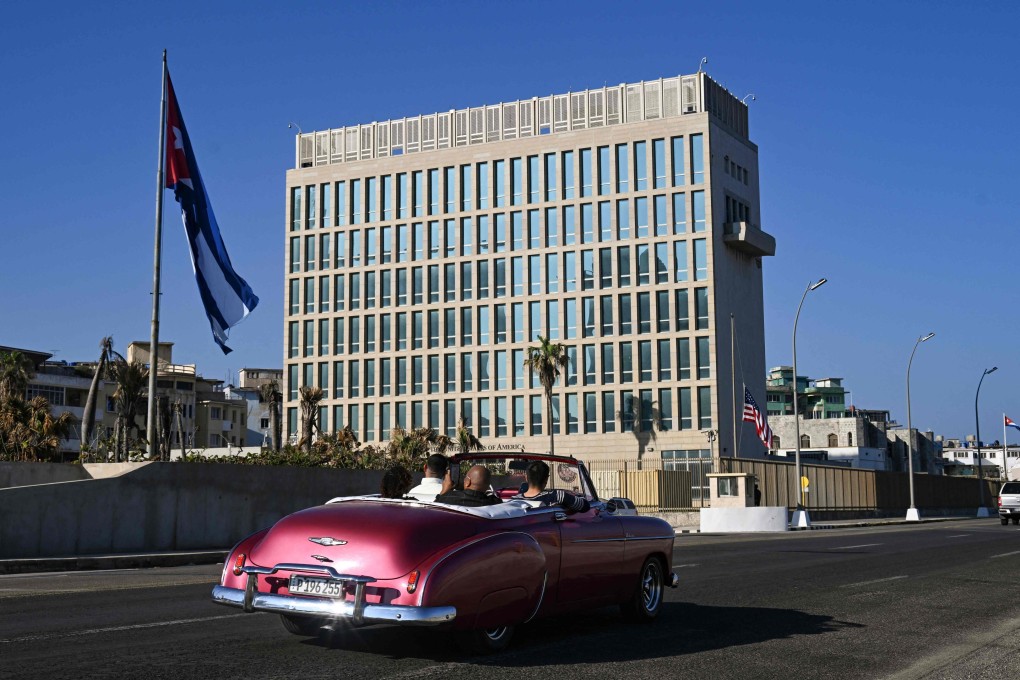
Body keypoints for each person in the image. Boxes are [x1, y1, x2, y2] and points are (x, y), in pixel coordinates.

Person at [512, 461, 589, 513]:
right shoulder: (557, 496)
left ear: (526, 478)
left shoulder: (514, 500)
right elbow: (585, 506)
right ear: (546, 479)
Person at [434, 465, 502, 507]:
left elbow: (434, 508)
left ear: (468, 482)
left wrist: (444, 491)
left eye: (465, 478)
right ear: (487, 486)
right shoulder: (495, 503)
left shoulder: (448, 497)